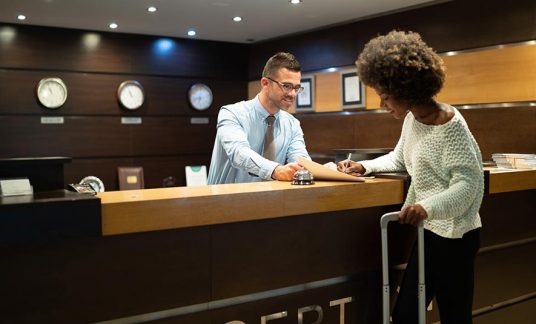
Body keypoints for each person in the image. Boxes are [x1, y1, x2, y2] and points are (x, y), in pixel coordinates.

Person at [338, 30, 483, 324]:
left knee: (455, 316)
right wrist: (365, 167)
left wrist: (427, 207)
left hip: (457, 235)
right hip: (428, 230)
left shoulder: (450, 125)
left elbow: (468, 184)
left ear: (406, 89)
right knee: (406, 314)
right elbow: (400, 158)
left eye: (386, 96)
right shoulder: (411, 120)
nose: (383, 104)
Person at [207, 52, 311, 184]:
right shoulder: (231, 113)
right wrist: (275, 170)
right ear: (265, 83)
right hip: (225, 201)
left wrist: (326, 170)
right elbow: (238, 154)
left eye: (296, 88)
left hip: (271, 202)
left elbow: (300, 160)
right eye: (286, 86)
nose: (292, 94)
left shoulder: (292, 124)